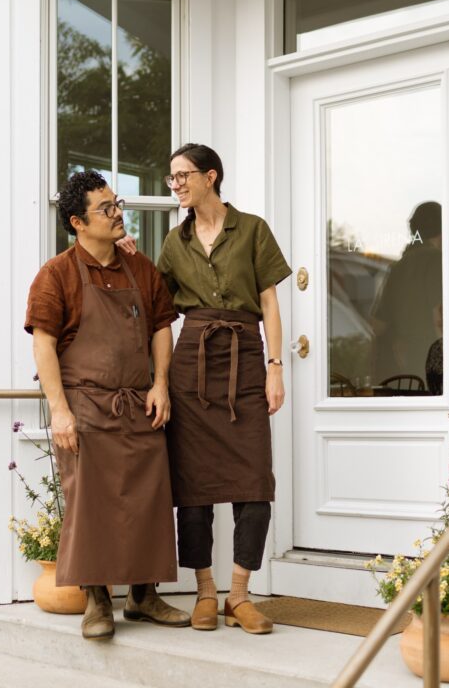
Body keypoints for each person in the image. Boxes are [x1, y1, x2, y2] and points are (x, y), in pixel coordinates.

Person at [24, 170, 190, 640]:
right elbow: (44, 346)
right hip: (86, 406)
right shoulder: (55, 275)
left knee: (150, 499)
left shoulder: (140, 268)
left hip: (141, 404)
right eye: (106, 208)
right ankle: (96, 600)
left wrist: (161, 385)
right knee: (90, 505)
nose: (118, 214)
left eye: (118, 204)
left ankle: (144, 596)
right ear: (78, 222)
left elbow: (161, 325)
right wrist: (60, 410)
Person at [157, 144, 291, 635]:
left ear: (210, 176)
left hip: (244, 357)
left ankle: (239, 594)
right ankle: (206, 591)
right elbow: (157, 309)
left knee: (254, 480)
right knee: (192, 486)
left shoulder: (252, 229)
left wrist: (275, 367)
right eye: (171, 178)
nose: (176, 185)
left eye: (182, 176)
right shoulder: (175, 242)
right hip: (191, 362)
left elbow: (270, 304)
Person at [370, 201, 442, 390]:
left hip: (403, 368)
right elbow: (439, 318)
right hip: (431, 368)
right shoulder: (437, 261)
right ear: (442, 230)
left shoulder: (398, 267)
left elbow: (378, 325)